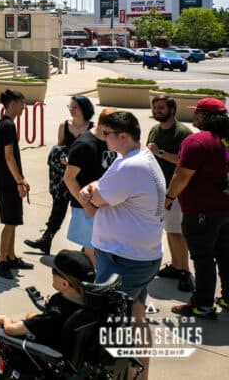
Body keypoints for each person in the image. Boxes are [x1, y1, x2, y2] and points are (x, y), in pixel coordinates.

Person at [81, 110, 164, 379]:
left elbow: (92, 204)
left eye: (107, 134)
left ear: (124, 136)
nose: (103, 138)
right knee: (137, 319)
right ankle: (140, 375)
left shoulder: (129, 167)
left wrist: (89, 195)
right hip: (140, 257)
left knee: (111, 327)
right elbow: (103, 187)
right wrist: (95, 190)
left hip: (122, 260)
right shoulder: (138, 158)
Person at [0, 249, 94, 378]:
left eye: (54, 271)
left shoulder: (56, 313)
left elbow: (10, 330)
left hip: (43, 360)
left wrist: (5, 319)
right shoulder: (90, 304)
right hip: (70, 357)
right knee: (28, 317)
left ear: (65, 284)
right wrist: (32, 317)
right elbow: (41, 321)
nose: (52, 273)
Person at [165, 98, 229, 319]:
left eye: (197, 113)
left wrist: (169, 197)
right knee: (225, 255)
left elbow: (182, 175)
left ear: (205, 116)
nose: (194, 116)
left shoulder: (197, 141)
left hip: (202, 211)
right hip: (225, 210)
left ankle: (202, 305)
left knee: (203, 258)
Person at [25, 95, 94, 255]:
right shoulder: (64, 126)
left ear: (84, 109)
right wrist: (63, 157)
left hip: (84, 176)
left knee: (83, 209)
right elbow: (60, 147)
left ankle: (87, 247)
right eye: (70, 106)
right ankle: (46, 239)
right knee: (58, 206)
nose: (71, 109)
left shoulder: (93, 127)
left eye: (75, 107)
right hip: (66, 174)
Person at [146, 95, 195, 293]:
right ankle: (176, 266)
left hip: (175, 190)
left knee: (176, 231)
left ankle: (185, 272)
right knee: (170, 229)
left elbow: (186, 162)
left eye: (161, 108)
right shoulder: (154, 130)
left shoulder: (182, 133)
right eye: (155, 108)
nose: (157, 111)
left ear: (172, 110)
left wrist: (160, 152)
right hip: (157, 188)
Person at [64, 106, 113, 267]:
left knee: (102, 249)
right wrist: (87, 206)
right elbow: (69, 178)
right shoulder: (84, 145)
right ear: (103, 125)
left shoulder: (110, 142)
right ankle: (92, 280)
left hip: (105, 205)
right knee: (92, 251)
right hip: (86, 207)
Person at [0, 89, 33, 280]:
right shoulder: (7, 125)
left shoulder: (6, 123)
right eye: (21, 103)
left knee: (14, 220)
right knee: (9, 222)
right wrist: (19, 181)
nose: (24, 107)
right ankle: (2, 260)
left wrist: (21, 178)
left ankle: (11, 256)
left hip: (9, 180)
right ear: (12, 104)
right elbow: (9, 156)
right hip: (7, 182)